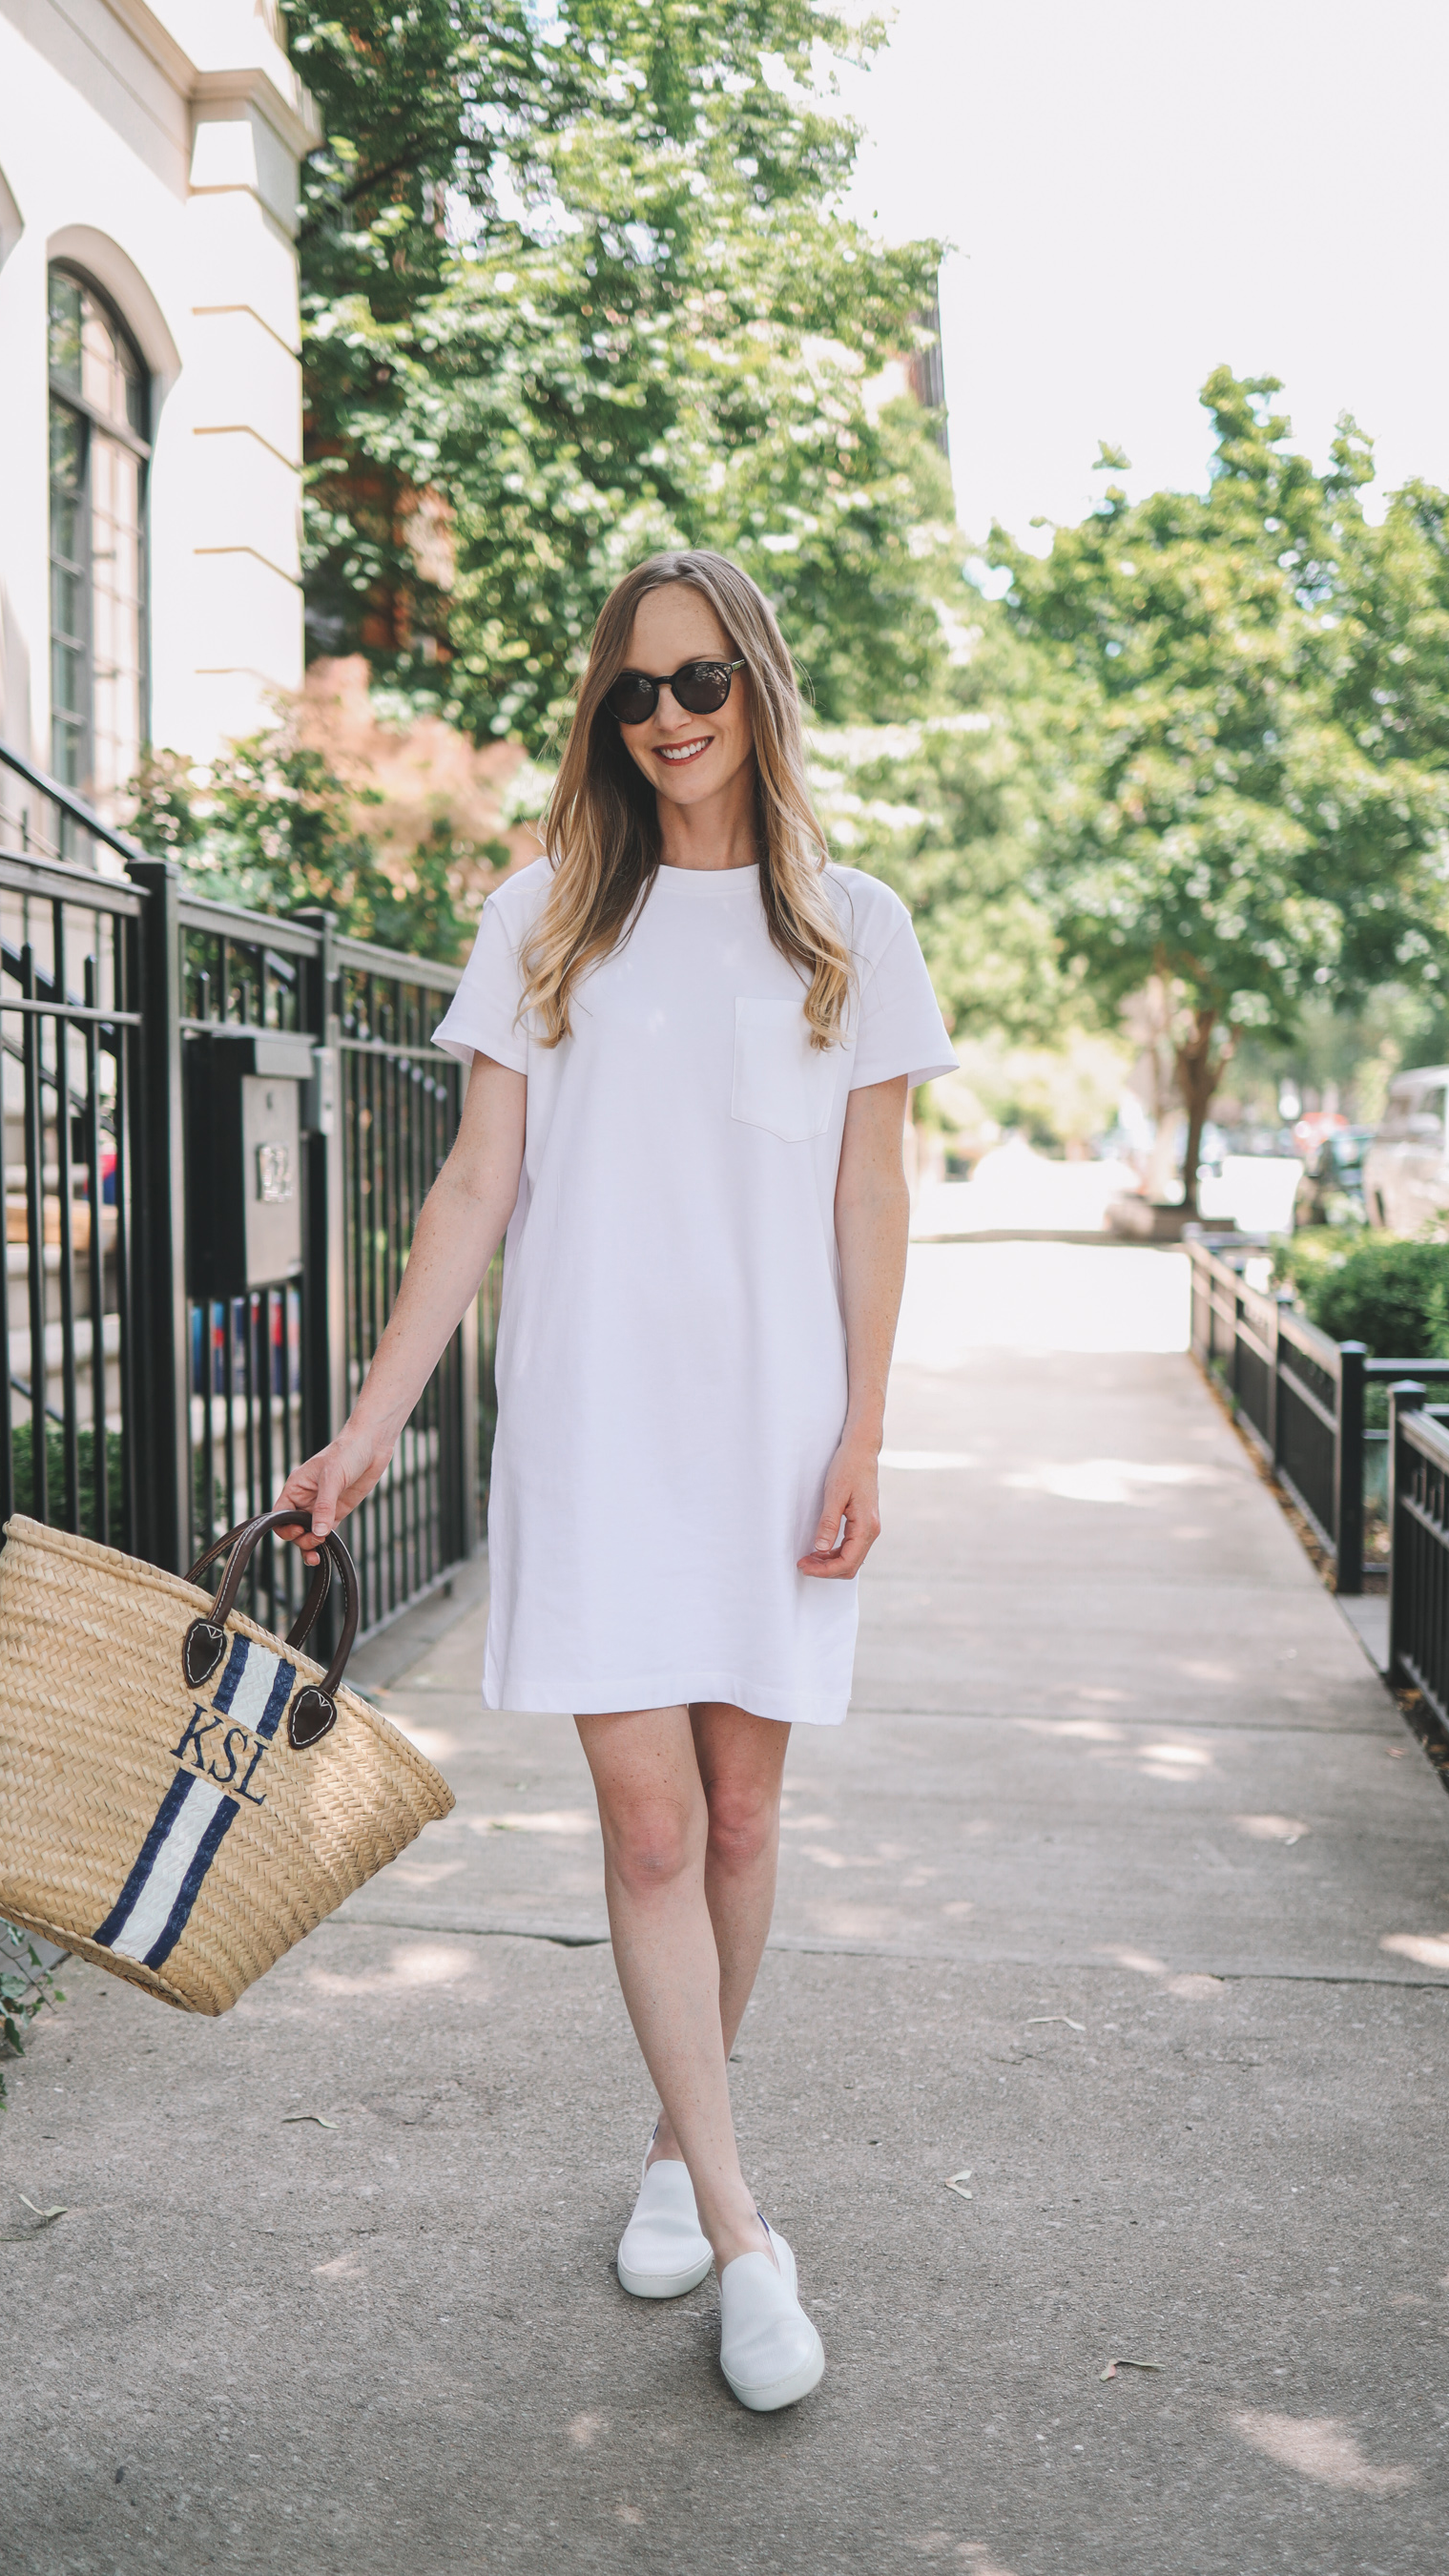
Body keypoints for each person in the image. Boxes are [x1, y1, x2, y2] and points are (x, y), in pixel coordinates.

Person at [276, 550, 955, 2412]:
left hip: (775, 1439)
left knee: (739, 1825)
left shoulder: (852, 928)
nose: (665, 719)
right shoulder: (542, 921)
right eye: (632, 693)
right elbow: (473, 1193)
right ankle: (749, 2238)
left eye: (699, 685)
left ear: (759, 689)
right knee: (650, 1833)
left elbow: (872, 1199)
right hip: (592, 1435)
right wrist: (369, 1423)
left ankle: (677, 2144)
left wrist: (869, 1429)